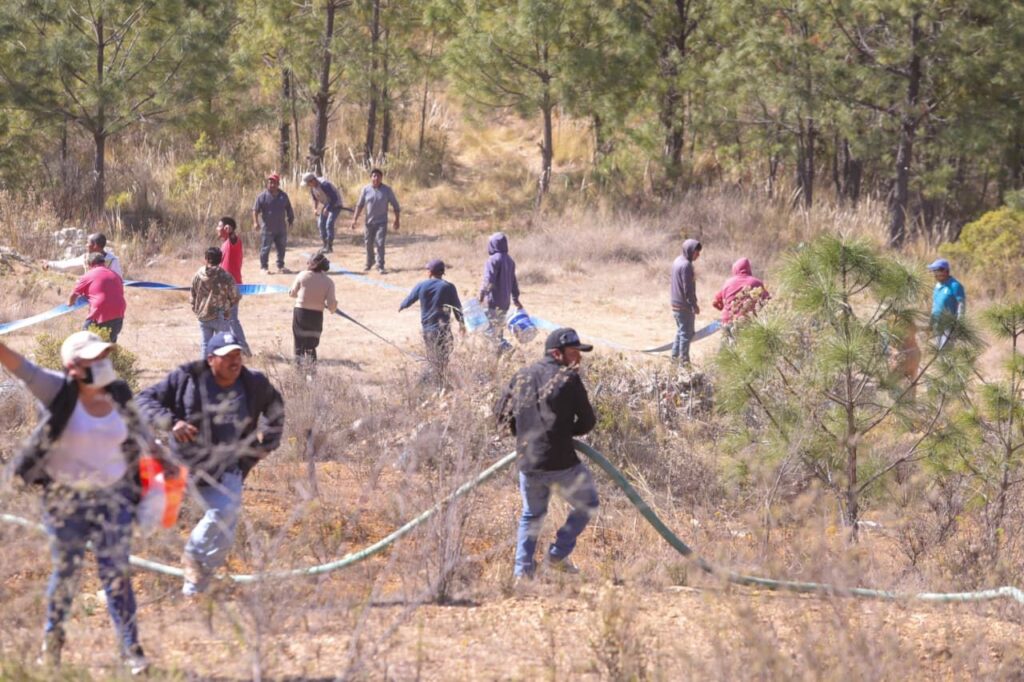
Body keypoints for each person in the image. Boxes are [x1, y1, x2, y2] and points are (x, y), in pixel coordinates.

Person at [2, 331, 162, 674]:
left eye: (103, 356)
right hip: (65, 501)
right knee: (67, 573)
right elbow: (21, 367)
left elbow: (137, 430)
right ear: (73, 367)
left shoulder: (118, 392)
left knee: (116, 574)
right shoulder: (58, 389)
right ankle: (53, 644)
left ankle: (131, 651)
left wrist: (157, 450)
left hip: (113, 497)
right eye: (93, 358)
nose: (102, 363)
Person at [137, 332, 285, 597]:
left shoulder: (253, 384)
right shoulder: (186, 378)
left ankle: (195, 583)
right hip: (182, 465)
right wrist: (172, 423)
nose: (235, 362)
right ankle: (124, 580)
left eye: (237, 356)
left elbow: (276, 409)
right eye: (227, 356)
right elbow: (143, 401)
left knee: (225, 519)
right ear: (210, 360)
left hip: (226, 468)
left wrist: (265, 446)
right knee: (147, 522)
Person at [495, 327, 599, 580]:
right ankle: (556, 556)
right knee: (588, 504)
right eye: (574, 352)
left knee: (532, 515)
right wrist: (563, 433)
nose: (579, 358)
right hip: (562, 462)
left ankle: (522, 574)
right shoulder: (569, 379)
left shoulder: (521, 375)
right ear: (557, 353)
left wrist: (524, 433)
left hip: (528, 462)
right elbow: (587, 421)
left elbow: (500, 414)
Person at [398, 259, 465, 385]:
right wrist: (462, 324)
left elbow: (409, 299)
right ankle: (434, 384)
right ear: (442, 272)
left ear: (430, 272)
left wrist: (402, 306)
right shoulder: (449, 287)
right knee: (443, 359)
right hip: (444, 330)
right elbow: (457, 307)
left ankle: (433, 383)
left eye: (427, 269)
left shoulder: (421, 285)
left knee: (433, 358)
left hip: (428, 330)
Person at [191, 247, 242, 359]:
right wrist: (229, 307)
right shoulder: (226, 277)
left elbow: (193, 294)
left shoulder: (198, 275)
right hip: (221, 316)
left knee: (205, 345)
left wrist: (197, 309)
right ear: (221, 259)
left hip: (203, 316)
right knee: (223, 346)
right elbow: (235, 296)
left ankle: (205, 370)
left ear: (206, 258)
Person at [289, 251, 338, 365]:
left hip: (300, 314)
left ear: (313, 264)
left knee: (299, 346)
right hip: (316, 317)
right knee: (311, 347)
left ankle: (297, 376)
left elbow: (292, 294)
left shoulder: (302, 275)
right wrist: (333, 308)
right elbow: (331, 306)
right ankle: (313, 375)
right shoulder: (329, 282)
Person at [350, 168, 400, 274]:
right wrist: (354, 219)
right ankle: (369, 262)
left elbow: (395, 205)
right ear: (370, 177)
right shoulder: (366, 190)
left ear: (381, 178)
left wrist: (397, 220)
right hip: (369, 223)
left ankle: (380, 265)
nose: (376, 178)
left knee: (380, 243)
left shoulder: (387, 190)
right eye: (374, 176)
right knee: (368, 243)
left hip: (381, 222)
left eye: (378, 176)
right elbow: (360, 205)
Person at [69, 252, 126, 342]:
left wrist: (70, 304)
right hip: (119, 312)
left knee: (86, 343)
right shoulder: (116, 275)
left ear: (90, 264)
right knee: (108, 345)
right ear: (104, 263)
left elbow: (73, 296)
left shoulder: (88, 275)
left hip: (100, 312)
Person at [478, 232, 522, 343]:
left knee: (490, 334)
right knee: (498, 331)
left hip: (492, 302)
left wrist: (481, 295)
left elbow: (488, 281)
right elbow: (514, 282)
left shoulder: (492, 260)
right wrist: (516, 299)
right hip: (504, 303)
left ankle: (503, 350)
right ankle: (500, 353)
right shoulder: (510, 261)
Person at [217, 217, 251, 356]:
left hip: (231, 288)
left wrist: (231, 234)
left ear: (226, 228)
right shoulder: (224, 244)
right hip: (225, 288)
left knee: (231, 320)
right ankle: (231, 349)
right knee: (225, 320)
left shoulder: (232, 243)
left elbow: (234, 239)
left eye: (219, 226)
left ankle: (244, 350)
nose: (217, 228)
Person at [252, 173, 294, 275]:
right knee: (265, 248)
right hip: (267, 228)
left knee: (281, 248)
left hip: (281, 228)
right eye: (270, 182)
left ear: (278, 184)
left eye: (274, 182)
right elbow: (255, 210)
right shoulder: (262, 196)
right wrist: (255, 222)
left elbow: (289, 208)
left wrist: (291, 220)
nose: (271, 184)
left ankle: (281, 266)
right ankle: (264, 267)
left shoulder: (283, 196)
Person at [712, 257, 771, 326]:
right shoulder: (757, 283)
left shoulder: (728, 282)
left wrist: (723, 308)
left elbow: (715, 302)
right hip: (749, 323)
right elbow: (768, 301)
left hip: (728, 322)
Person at [670, 239, 702, 364]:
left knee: (681, 332)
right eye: (696, 252)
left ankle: (674, 359)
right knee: (686, 334)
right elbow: (687, 288)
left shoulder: (677, 261)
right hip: (684, 306)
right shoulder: (686, 265)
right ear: (690, 251)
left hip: (676, 304)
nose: (698, 255)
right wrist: (693, 305)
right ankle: (684, 362)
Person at [46, 232, 124, 279]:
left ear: (95, 246)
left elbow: (118, 280)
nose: (86, 245)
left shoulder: (112, 261)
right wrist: (49, 264)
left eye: (88, 243)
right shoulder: (86, 257)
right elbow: (67, 264)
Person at [928, 258, 966, 348]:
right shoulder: (937, 286)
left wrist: (958, 324)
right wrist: (931, 322)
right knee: (938, 353)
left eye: (936, 271)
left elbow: (961, 304)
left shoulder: (955, 285)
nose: (934, 274)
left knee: (946, 353)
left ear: (944, 271)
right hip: (937, 325)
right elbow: (935, 305)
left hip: (949, 326)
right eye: (933, 271)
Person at [302, 172, 344, 253]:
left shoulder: (325, 185)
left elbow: (334, 198)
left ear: (312, 181)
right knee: (321, 223)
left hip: (336, 204)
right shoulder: (312, 187)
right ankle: (325, 245)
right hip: (327, 204)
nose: (307, 185)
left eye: (308, 183)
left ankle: (329, 246)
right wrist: (315, 208)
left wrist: (327, 208)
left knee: (329, 223)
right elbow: (315, 199)